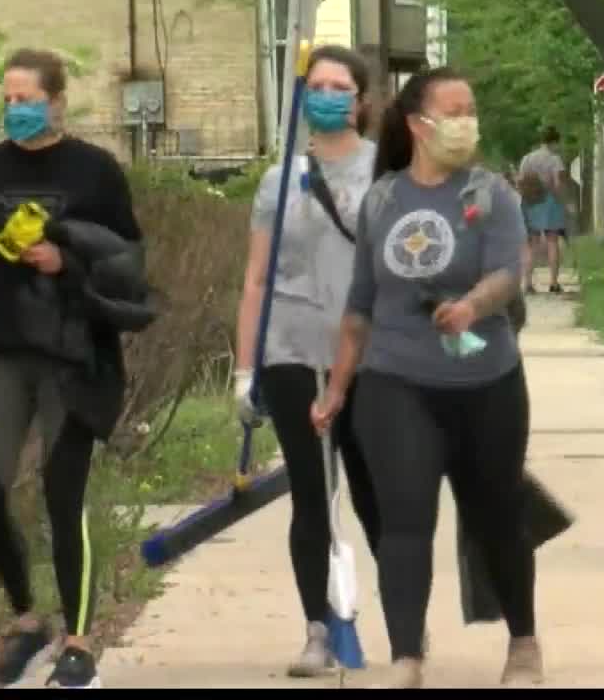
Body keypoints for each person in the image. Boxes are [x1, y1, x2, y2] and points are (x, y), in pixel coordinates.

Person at [311, 67, 543, 689]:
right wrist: (337, 388)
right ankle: (407, 655)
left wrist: (472, 306)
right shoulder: (383, 201)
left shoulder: (494, 194)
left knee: (497, 514)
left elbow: (507, 274)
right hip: (396, 382)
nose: (467, 120)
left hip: (486, 382)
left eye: (472, 108)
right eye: (454, 109)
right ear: (418, 124)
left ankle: (523, 643)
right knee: (404, 518)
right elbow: (360, 305)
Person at [0, 48, 145, 690]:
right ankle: (26, 621)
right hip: (0, 357)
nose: (15, 109)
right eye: (8, 99)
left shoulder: (95, 172)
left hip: (73, 358)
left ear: (57, 101)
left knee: (62, 494)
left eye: (26, 98)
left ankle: (78, 646)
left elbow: (128, 266)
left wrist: (64, 263)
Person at [233, 44, 381, 677]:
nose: (326, 95)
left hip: (368, 356)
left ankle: (403, 621)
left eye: (339, 86)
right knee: (312, 499)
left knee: (378, 498)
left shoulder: (387, 172)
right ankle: (318, 627)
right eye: (316, 85)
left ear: (361, 100)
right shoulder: (278, 179)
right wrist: (245, 369)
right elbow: (256, 281)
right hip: (291, 352)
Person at [518, 126, 571, 294]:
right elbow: (558, 184)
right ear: (554, 142)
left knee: (531, 244)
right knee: (552, 241)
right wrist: (564, 201)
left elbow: (521, 180)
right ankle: (554, 283)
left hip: (530, 201)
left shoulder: (527, 158)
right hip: (550, 202)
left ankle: (527, 284)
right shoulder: (555, 160)